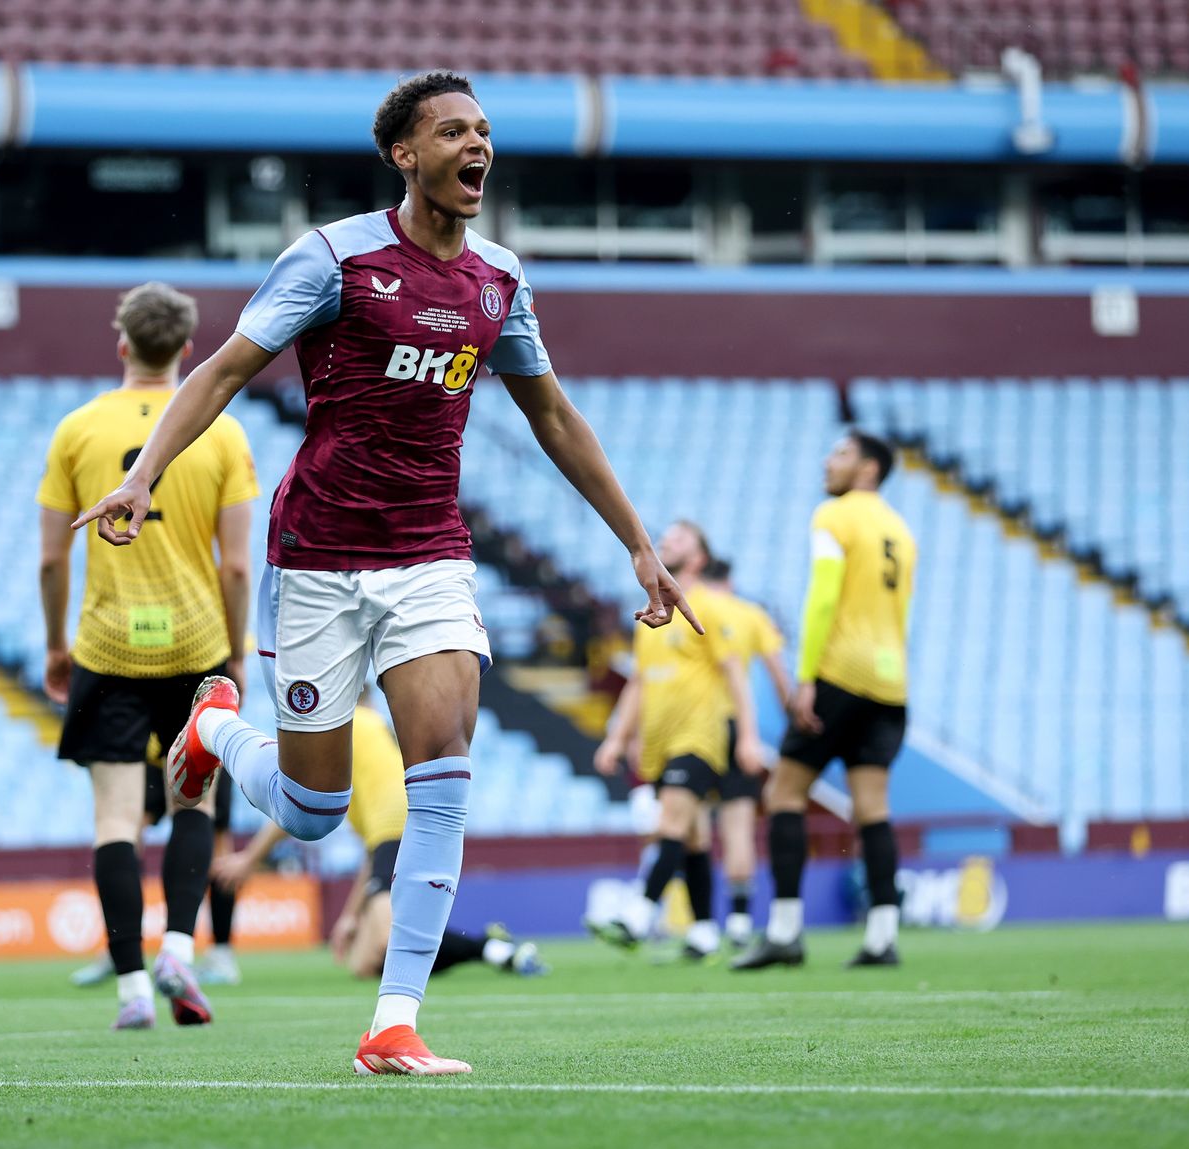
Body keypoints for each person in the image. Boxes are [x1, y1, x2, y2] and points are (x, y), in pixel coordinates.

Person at [73, 71, 696, 1075]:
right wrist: (145, 476)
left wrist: (636, 540)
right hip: (318, 555)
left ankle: (393, 1022)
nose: (476, 145)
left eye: (485, 130)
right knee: (315, 810)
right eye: (454, 130)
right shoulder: (332, 258)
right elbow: (225, 369)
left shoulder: (500, 278)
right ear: (406, 154)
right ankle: (216, 729)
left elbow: (552, 415)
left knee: (442, 773)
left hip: (431, 556)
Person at [37, 282, 259, 1028]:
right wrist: (236, 655)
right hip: (198, 642)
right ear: (189, 350)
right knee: (196, 803)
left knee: (116, 820)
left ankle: (132, 990)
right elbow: (235, 564)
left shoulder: (76, 431)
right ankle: (178, 950)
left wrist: (55, 644)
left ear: (122, 342)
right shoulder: (222, 434)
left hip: (108, 644)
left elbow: (50, 560)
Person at [733, 431, 917, 970]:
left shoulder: (834, 517)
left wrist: (807, 676)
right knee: (873, 809)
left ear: (868, 469)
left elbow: (823, 599)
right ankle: (883, 937)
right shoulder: (901, 531)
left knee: (785, 794)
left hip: (840, 673)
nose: (826, 461)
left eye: (839, 454)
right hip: (890, 681)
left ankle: (786, 931)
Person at [210, 693, 547, 982]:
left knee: (388, 941)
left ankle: (490, 947)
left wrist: (249, 859)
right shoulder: (371, 747)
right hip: (400, 831)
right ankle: (486, 947)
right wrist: (350, 916)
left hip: (401, 824)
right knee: (365, 964)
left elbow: (296, 802)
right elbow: (376, 857)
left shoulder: (349, 726)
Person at [590, 522, 766, 961]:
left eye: (680, 537)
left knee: (670, 820)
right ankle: (705, 928)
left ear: (699, 557)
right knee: (690, 837)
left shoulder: (711, 606)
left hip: (700, 734)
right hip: (661, 741)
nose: (667, 539)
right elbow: (639, 684)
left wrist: (747, 735)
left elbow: (735, 676)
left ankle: (638, 913)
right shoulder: (649, 613)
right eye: (665, 535)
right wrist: (617, 737)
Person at [67, 759, 242, 988]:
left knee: (215, 837)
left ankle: (219, 953)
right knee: (128, 827)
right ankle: (124, 946)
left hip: (192, 734)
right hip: (150, 746)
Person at [701, 557, 792, 944]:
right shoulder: (750, 614)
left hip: (697, 727)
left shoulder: (694, 607)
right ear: (731, 581)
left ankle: (699, 924)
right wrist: (794, 715)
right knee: (738, 829)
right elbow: (777, 672)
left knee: (694, 829)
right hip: (738, 727)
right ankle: (739, 922)